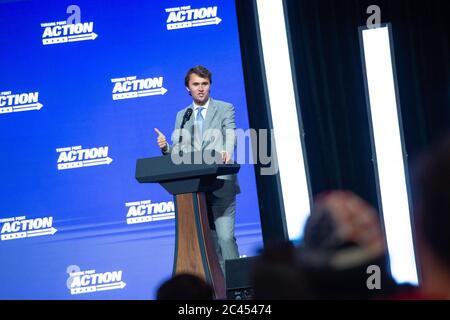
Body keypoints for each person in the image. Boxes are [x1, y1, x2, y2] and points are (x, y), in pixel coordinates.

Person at [154, 65, 240, 273]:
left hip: (221, 184)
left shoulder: (224, 108)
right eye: (196, 84)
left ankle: (238, 290)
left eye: (205, 84)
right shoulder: (183, 115)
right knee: (209, 246)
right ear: (188, 88)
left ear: (210, 86)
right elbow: (181, 151)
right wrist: (167, 148)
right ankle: (219, 291)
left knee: (225, 238)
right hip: (196, 191)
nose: (201, 88)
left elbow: (231, 134)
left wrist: (227, 151)